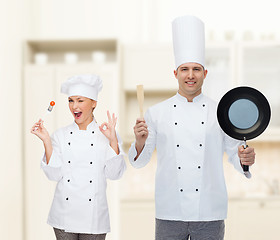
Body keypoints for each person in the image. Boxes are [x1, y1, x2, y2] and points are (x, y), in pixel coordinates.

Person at [128, 15, 256, 240]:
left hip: (209, 211)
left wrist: (245, 159)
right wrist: (139, 143)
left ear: (205, 74)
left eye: (196, 69)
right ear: (175, 73)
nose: (190, 75)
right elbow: (140, 161)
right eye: (184, 69)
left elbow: (236, 154)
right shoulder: (156, 112)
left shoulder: (221, 112)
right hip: (170, 211)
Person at [31, 74, 126, 240]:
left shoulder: (107, 134)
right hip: (64, 216)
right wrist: (46, 140)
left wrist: (112, 140)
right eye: (71, 100)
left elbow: (114, 174)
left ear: (94, 103)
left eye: (80, 100)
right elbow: (54, 175)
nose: (74, 106)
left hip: (94, 217)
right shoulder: (60, 135)